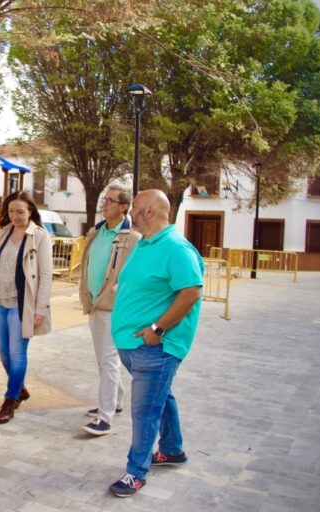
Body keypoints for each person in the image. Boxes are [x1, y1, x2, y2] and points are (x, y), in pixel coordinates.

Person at [108, 189, 204, 498]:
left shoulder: (177, 248)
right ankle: (173, 450)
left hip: (156, 348)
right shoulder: (145, 243)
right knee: (161, 398)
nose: (130, 212)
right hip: (135, 346)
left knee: (145, 411)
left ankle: (136, 472)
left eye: (134, 208)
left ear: (149, 211)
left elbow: (191, 292)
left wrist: (157, 328)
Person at [0, 191, 53, 424]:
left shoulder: (40, 237)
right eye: (11, 212)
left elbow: (46, 275)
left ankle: (10, 400)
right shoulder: (2, 234)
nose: (15, 216)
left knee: (18, 354)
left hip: (22, 305)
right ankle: (19, 388)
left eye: (20, 211)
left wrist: (40, 308)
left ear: (30, 212)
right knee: (3, 352)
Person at [78, 185, 141, 436]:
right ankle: (115, 402)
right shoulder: (96, 232)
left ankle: (104, 418)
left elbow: (135, 276)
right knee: (103, 360)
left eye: (110, 201)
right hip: (94, 304)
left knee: (109, 360)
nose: (104, 204)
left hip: (114, 308)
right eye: (104, 200)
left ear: (124, 207)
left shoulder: (132, 238)